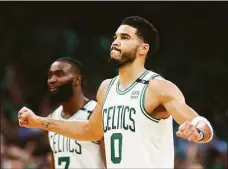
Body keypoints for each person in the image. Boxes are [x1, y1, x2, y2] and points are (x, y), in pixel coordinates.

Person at [18, 16, 213, 168]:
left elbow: (200, 123)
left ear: (143, 48)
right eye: (116, 37)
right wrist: (39, 122)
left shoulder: (157, 86)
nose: (116, 42)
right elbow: (90, 130)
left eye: (125, 38)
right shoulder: (106, 88)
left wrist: (198, 132)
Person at [21, 57, 105, 169]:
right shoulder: (51, 119)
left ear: (77, 80)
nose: (52, 80)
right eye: (50, 75)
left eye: (59, 74)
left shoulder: (96, 113)